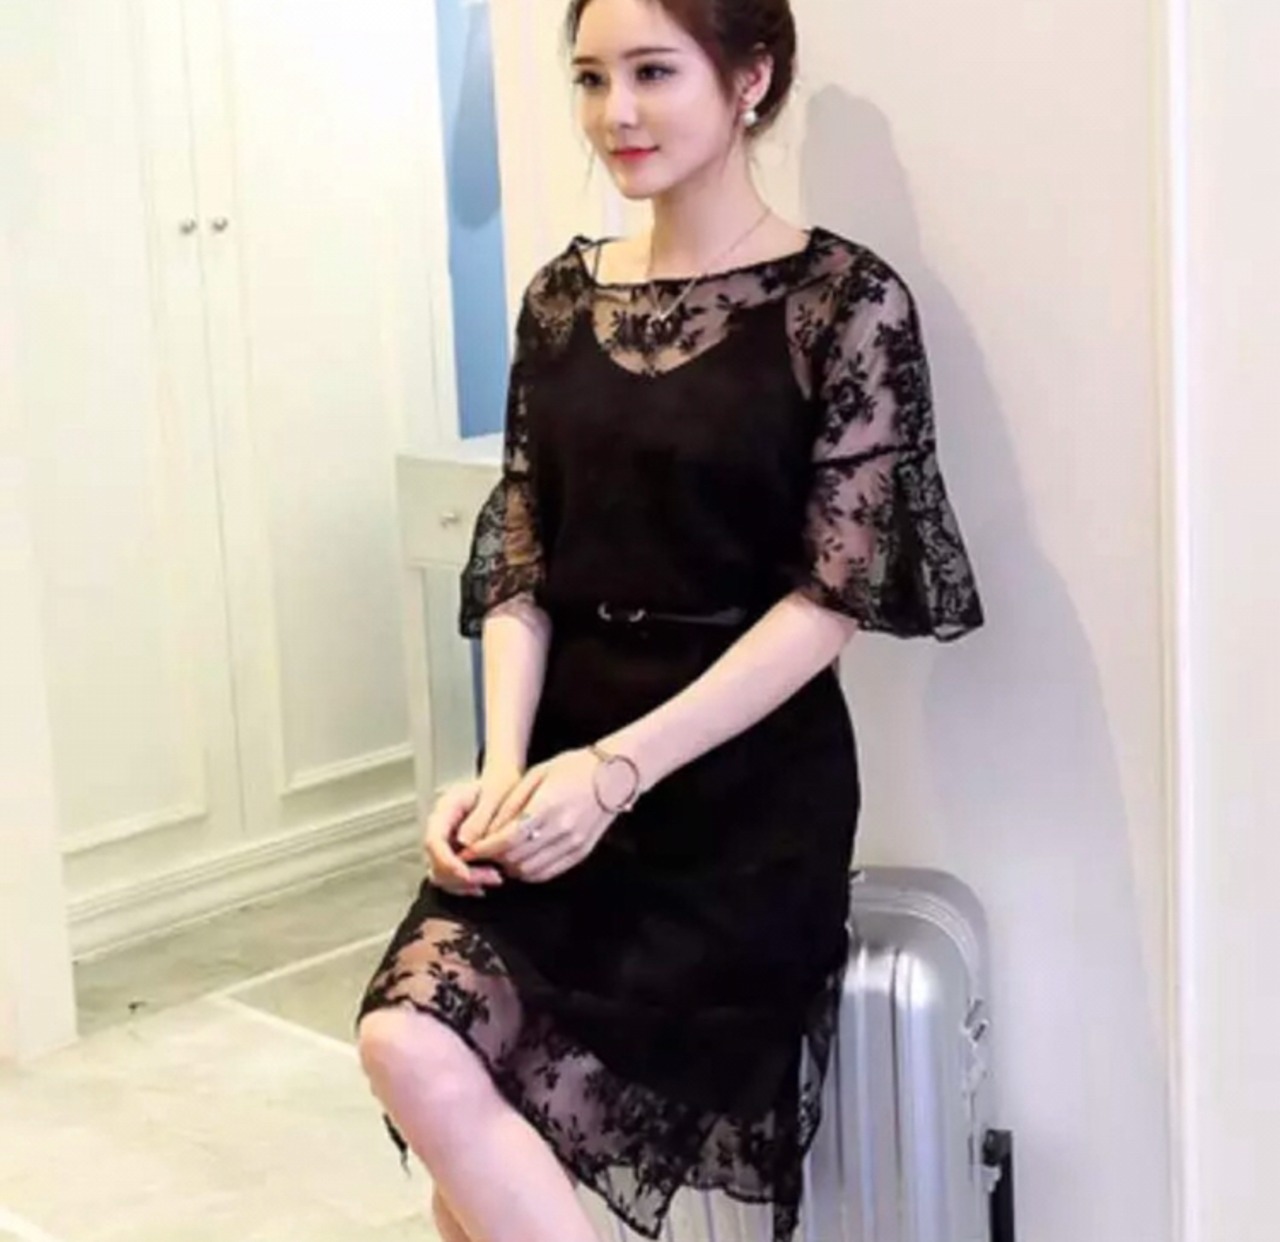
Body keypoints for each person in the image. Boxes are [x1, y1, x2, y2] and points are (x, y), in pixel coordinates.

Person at [355, 1, 984, 1239]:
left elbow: (830, 599)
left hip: (736, 802)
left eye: (652, 72)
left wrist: (617, 772)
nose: (615, 113)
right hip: (556, 782)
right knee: (417, 1055)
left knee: (459, 1134)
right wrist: (500, 777)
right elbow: (521, 561)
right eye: (591, 78)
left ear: (749, 78)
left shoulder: (844, 302)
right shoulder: (556, 302)